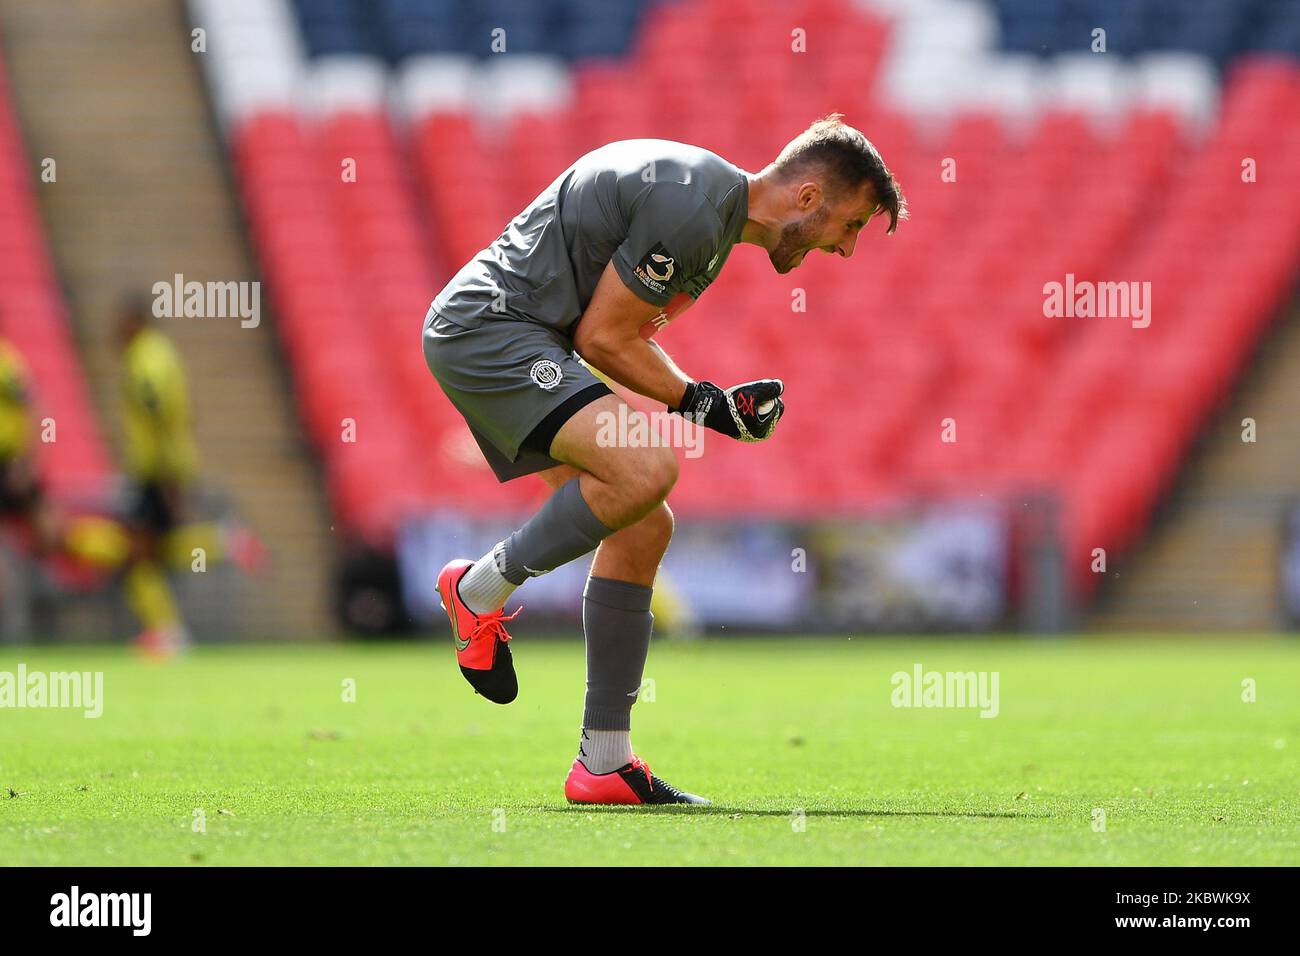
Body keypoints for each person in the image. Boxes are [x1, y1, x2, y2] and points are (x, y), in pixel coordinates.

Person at [422, 115, 905, 804]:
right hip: (492, 332)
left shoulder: (707, 212)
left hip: (525, 339)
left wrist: (713, 407)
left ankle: (604, 763)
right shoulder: (694, 210)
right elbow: (605, 336)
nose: (847, 250)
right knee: (647, 470)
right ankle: (475, 589)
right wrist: (704, 404)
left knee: (643, 522)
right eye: (851, 225)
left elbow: (607, 338)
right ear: (806, 199)